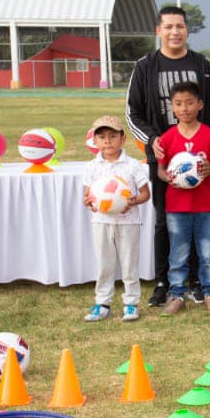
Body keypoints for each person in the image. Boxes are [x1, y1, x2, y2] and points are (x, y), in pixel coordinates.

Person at [125, 5, 210, 307]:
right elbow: (132, 113)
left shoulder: (202, 65)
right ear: (159, 31)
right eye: (168, 27)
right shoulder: (145, 66)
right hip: (165, 161)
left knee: (199, 221)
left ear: (186, 30)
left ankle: (197, 282)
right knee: (166, 223)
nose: (174, 32)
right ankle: (164, 281)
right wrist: (152, 140)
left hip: (199, 163)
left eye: (179, 26)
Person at [155, 81, 210, 315]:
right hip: (176, 206)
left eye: (189, 102)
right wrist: (167, 177)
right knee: (178, 251)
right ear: (172, 108)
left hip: (205, 205)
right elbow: (160, 169)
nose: (184, 108)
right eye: (178, 103)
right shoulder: (166, 139)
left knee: (206, 252)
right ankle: (176, 294)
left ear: (200, 104)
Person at [81, 115, 151, 322]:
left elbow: (145, 194)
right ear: (94, 141)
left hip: (128, 222)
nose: (108, 141)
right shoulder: (92, 167)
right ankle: (103, 303)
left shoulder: (132, 166)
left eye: (113, 136)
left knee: (130, 264)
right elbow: (87, 195)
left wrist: (132, 201)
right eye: (102, 137)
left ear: (123, 139)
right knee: (105, 264)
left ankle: (131, 303)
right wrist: (89, 202)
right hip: (102, 222)